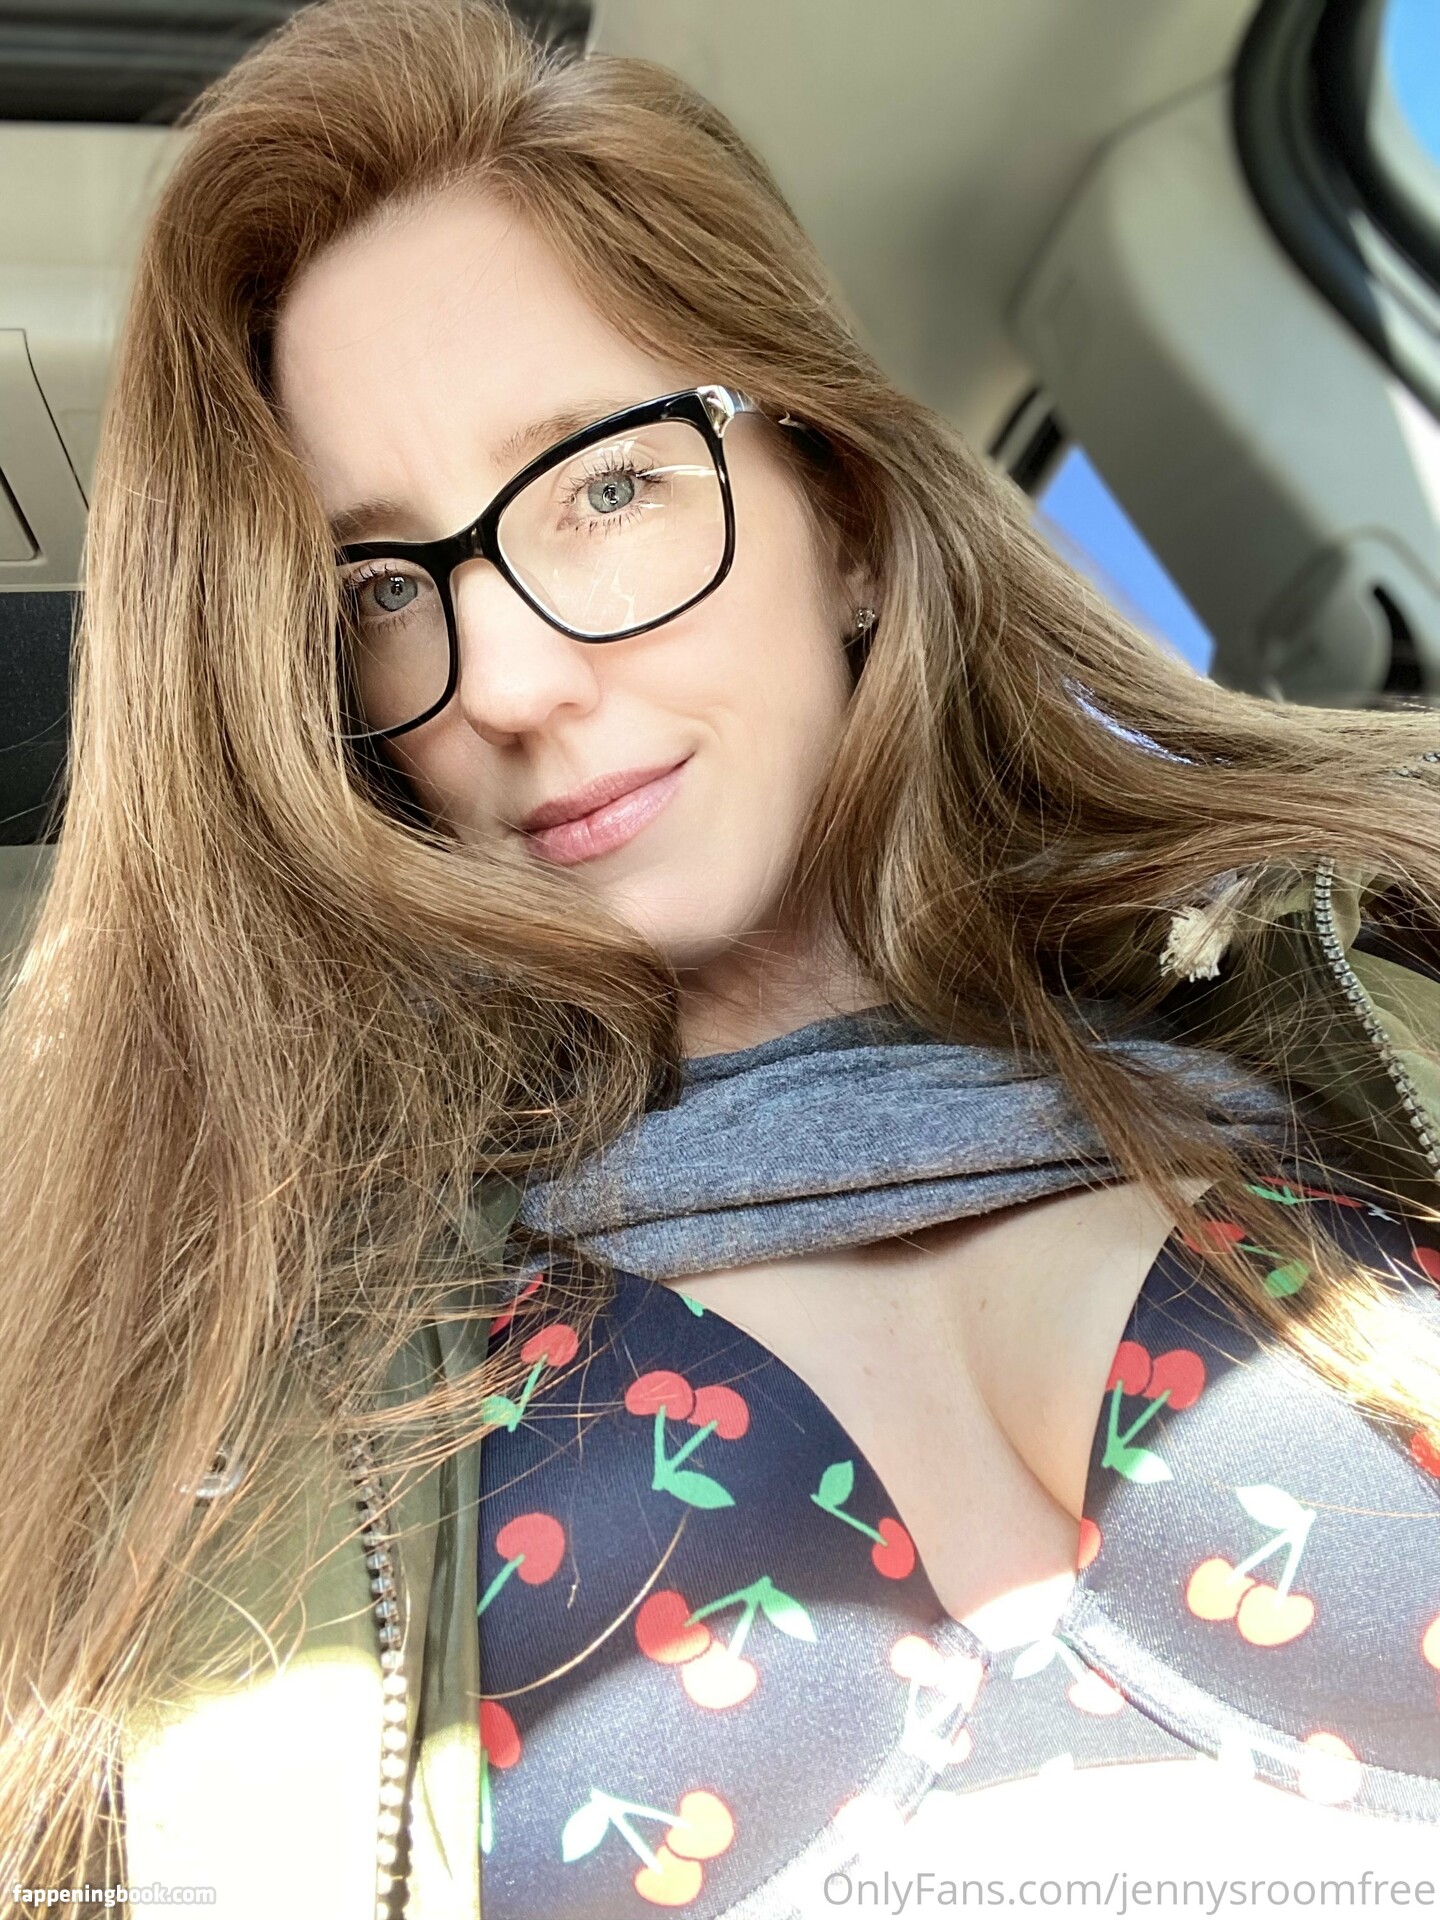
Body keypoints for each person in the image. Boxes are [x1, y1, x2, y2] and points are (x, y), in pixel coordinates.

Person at [0, 0, 1437, 1914]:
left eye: (605, 485)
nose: (510, 682)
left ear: (844, 516)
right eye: (389, 588)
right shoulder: (248, 1373)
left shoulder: (1383, 988)